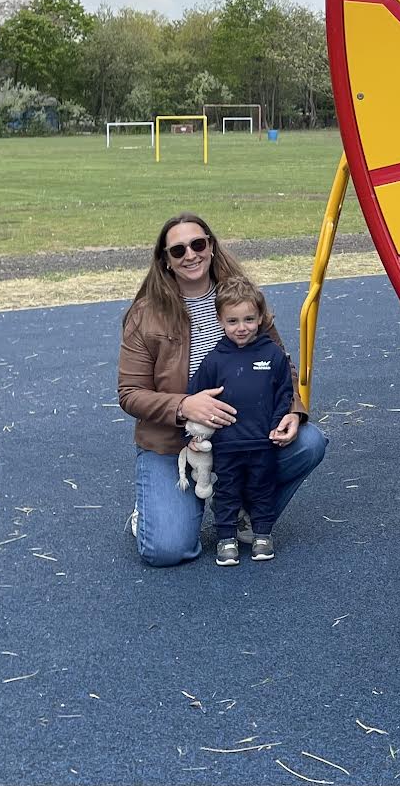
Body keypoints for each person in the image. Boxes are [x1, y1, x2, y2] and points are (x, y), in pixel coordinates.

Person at [115, 212, 326, 565]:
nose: (190, 255)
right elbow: (130, 393)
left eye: (198, 244)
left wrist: (293, 411)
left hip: (249, 437)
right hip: (175, 446)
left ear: (211, 246)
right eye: (178, 250)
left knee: (309, 442)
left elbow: (280, 365)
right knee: (166, 550)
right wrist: (185, 407)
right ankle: (154, 508)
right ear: (165, 261)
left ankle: (245, 508)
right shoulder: (146, 314)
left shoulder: (242, 299)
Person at [187, 289, 295, 564]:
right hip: (226, 445)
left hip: (263, 443)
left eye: (249, 319)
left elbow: (284, 392)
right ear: (220, 321)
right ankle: (226, 538)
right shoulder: (214, 359)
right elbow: (194, 396)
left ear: (260, 318)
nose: (241, 327)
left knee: (262, 489)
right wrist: (192, 434)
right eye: (232, 321)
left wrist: (277, 425)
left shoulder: (272, 354)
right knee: (227, 491)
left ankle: (262, 534)